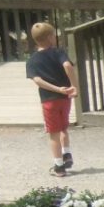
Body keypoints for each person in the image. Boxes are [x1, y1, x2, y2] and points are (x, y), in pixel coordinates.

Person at [26, 22, 79, 178]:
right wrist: (73, 86)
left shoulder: (32, 60)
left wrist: (56, 89)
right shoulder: (59, 52)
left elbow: (38, 81)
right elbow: (68, 66)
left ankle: (58, 166)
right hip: (65, 98)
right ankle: (67, 154)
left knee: (53, 133)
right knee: (63, 128)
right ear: (50, 37)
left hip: (49, 100)